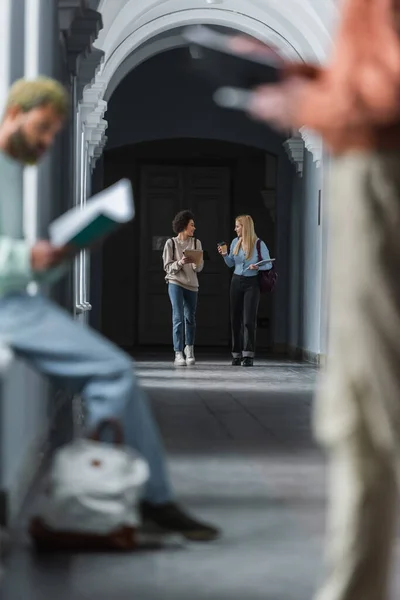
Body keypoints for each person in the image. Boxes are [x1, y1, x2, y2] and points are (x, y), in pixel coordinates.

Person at [0, 77, 219, 542]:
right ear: (15, 113)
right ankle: (113, 497)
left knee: (115, 370)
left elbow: (18, 265)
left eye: (54, 134)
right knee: (114, 370)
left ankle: (127, 496)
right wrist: (26, 258)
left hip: (14, 299)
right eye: (43, 128)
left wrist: (52, 257)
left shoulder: (13, 167)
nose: (45, 142)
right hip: (6, 307)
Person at [243, 0, 400, 597]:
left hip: (380, 174)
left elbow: (385, 93)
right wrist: (321, 81)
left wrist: (305, 106)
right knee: (358, 414)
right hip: (372, 168)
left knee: (374, 402)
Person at [218, 215, 272, 367]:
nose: (235, 229)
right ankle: (236, 354)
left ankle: (248, 355)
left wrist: (258, 267)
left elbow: (268, 265)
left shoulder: (259, 244)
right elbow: (230, 264)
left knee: (248, 320)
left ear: (245, 227)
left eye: (237, 226)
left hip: (251, 283)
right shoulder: (235, 242)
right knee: (235, 319)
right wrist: (224, 255)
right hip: (236, 281)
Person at [163, 210, 203, 367]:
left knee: (190, 318)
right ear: (183, 225)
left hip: (192, 284)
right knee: (178, 317)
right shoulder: (170, 243)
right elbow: (167, 268)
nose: (194, 227)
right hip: (175, 282)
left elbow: (199, 268)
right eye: (192, 224)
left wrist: (195, 263)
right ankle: (178, 353)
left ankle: (189, 349)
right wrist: (180, 262)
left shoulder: (196, 243)